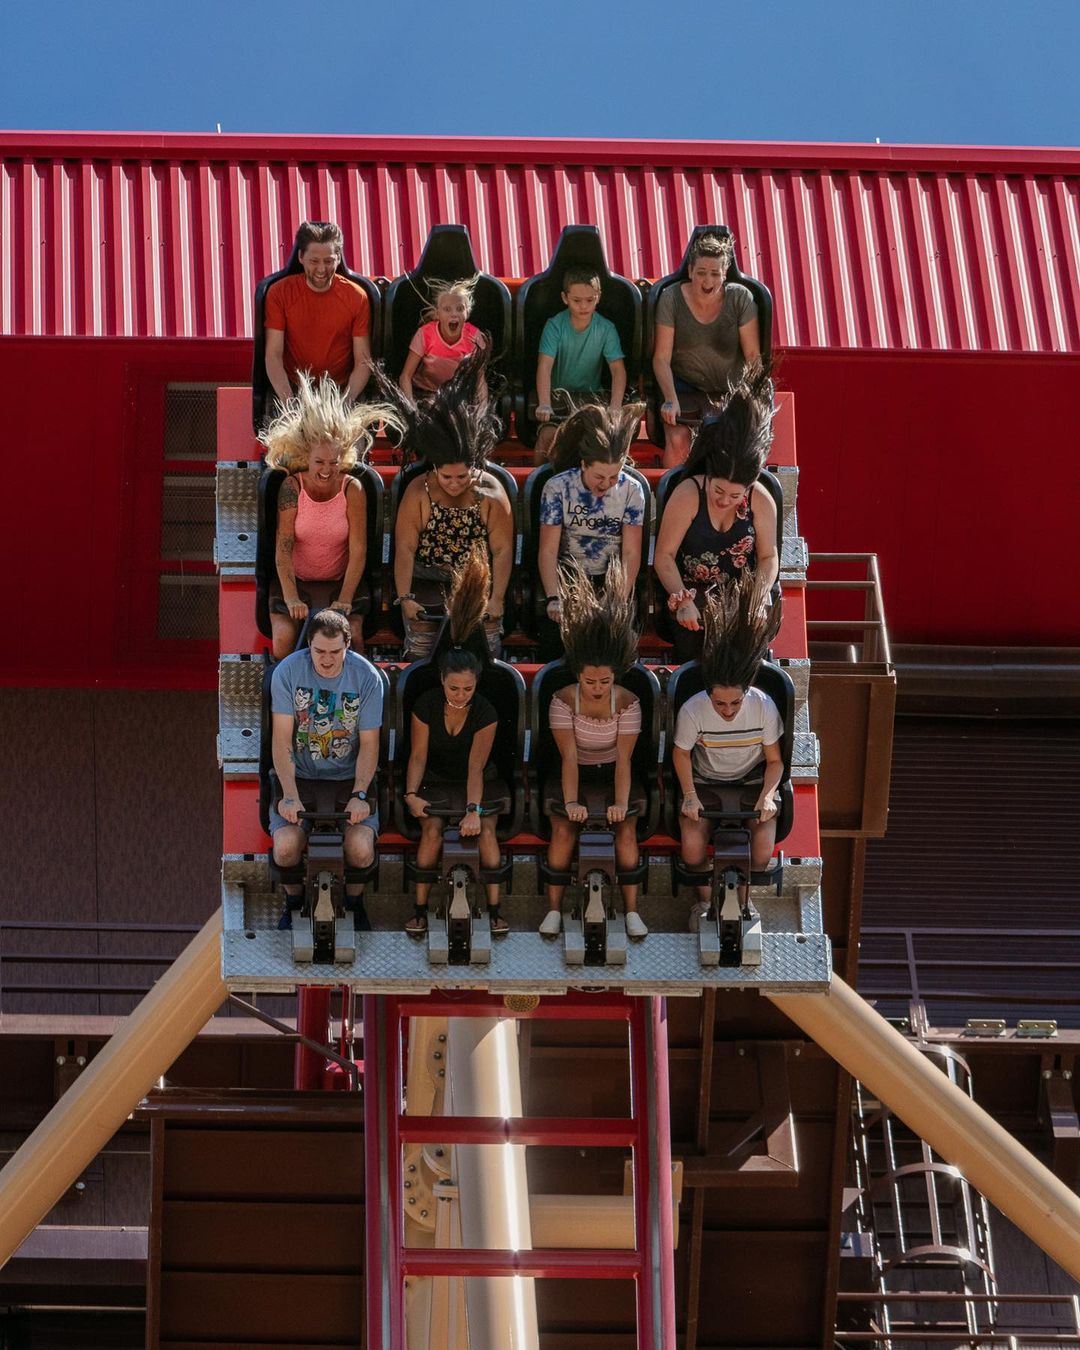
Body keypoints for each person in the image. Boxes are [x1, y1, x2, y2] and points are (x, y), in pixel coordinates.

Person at [401, 548, 509, 936]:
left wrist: (473, 810)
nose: (460, 695)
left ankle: (494, 910)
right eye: (454, 688)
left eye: (467, 688)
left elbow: (476, 767)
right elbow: (418, 754)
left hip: (478, 780)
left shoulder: (486, 712)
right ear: (442, 681)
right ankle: (419, 909)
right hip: (435, 777)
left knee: (487, 830)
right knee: (431, 830)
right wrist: (411, 794)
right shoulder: (427, 704)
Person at [382, 346, 514, 661]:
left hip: (474, 579)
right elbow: (405, 549)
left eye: (461, 477)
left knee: (487, 649)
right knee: (421, 649)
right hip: (425, 576)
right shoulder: (419, 492)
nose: (454, 483)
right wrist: (406, 597)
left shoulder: (492, 495)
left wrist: (497, 598)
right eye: (447, 477)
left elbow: (502, 550)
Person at [540, 561, 648, 939]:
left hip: (613, 772)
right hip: (575, 772)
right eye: (590, 682)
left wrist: (619, 803)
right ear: (578, 676)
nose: (597, 689)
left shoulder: (628, 702)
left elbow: (624, 759)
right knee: (563, 830)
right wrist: (571, 802)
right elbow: (569, 757)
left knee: (626, 831)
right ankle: (554, 910)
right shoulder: (563, 700)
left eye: (604, 681)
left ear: (615, 677)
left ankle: (632, 911)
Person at [260, 374, 399, 659]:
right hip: (298, 580)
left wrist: (345, 598)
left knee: (353, 635)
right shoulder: (292, 488)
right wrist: (291, 597)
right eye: (319, 462)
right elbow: (283, 547)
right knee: (284, 638)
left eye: (333, 463)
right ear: (306, 458)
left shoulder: (352, 489)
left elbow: (358, 550)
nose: (326, 470)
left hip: (338, 581)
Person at [673, 572, 783, 931]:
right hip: (707, 781)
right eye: (720, 704)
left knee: (762, 850)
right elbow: (681, 754)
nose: (728, 710)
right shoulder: (693, 709)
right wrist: (690, 794)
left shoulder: (763, 706)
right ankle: (705, 902)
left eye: (735, 703)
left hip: (750, 781)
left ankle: (743, 901)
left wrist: (767, 796)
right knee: (692, 845)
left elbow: (775, 761)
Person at [653, 374, 778, 663]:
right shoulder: (689, 494)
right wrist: (682, 598)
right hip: (690, 593)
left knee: (747, 642)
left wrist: (758, 597)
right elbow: (664, 555)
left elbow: (768, 556)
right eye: (718, 491)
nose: (723, 501)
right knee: (692, 633)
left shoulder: (760, 499)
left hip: (738, 594)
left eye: (734, 496)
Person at [269, 608, 383, 922]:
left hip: (349, 778)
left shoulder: (367, 677)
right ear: (309, 645)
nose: (327, 660)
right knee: (286, 849)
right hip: (301, 776)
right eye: (319, 651)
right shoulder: (288, 672)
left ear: (347, 645)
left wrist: (360, 793)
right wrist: (289, 794)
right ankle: (293, 901)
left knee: (360, 850)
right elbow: (281, 739)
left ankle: (355, 903)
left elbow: (370, 744)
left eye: (335, 652)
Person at [536, 402, 646, 660]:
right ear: (584, 465)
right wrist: (554, 597)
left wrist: (617, 599)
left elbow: (631, 552)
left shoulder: (631, 490)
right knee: (557, 638)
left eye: (613, 477)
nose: (606, 485)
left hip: (610, 576)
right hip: (569, 573)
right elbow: (548, 549)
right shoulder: (558, 488)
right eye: (599, 477)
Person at [652, 232, 761, 467]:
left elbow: (753, 358)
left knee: (729, 446)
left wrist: (750, 399)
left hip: (728, 391)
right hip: (683, 388)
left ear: (725, 273)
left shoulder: (740, 299)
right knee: (679, 439)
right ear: (691, 271)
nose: (707, 281)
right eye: (701, 273)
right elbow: (661, 358)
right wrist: (670, 399)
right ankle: (673, 488)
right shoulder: (671, 298)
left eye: (715, 274)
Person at [264, 221, 373, 410]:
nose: (322, 269)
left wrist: (345, 402)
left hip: (340, 391)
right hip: (292, 389)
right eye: (314, 261)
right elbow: (273, 355)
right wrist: (290, 404)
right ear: (301, 257)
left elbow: (363, 361)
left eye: (328, 261)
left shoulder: (356, 297)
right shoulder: (279, 293)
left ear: (338, 258)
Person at [534, 267, 627, 461]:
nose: (583, 306)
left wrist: (615, 406)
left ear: (598, 297)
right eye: (576, 301)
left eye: (589, 300)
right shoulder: (554, 326)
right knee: (548, 437)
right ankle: (538, 478)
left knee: (605, 442)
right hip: (558, 399)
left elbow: (618, 370)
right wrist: (545, 403)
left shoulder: (606, 329)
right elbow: (544, 367)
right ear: (565, 298)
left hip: (591, 400)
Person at [399, 276, 487, 403]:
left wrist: (483, 410)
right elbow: (405, 377)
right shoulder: (424, 334)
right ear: (437, 314)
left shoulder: (475, 337)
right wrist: (411, 407)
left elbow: (480, 381)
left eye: (460, 309)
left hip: (457, 396)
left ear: (467, 314)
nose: (454, 314)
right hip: (423, 393)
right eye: (447, 309)